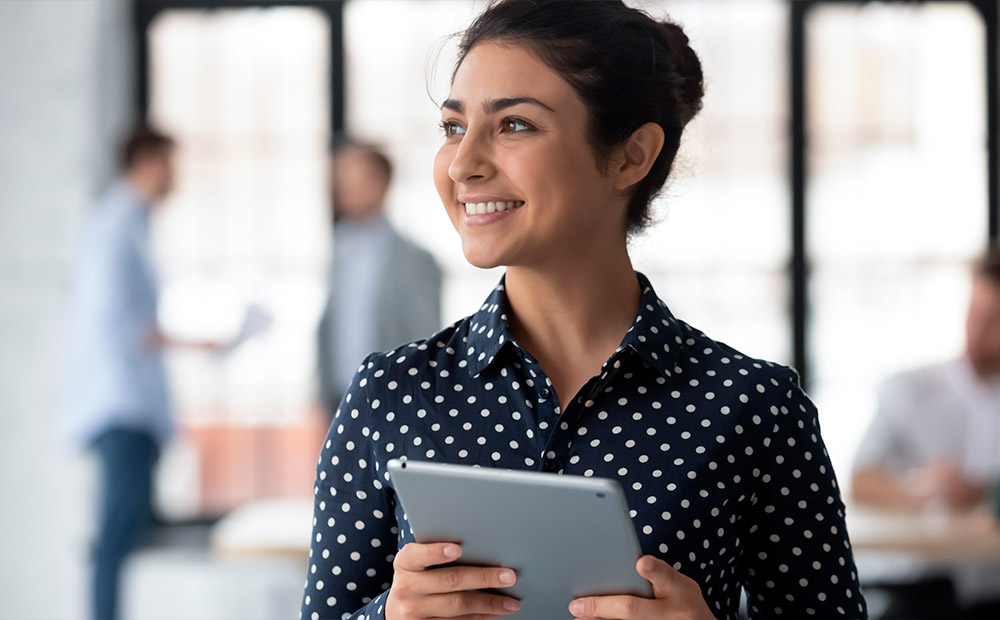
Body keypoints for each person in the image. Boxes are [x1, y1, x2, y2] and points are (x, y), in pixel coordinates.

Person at [301, 2, 867, 619]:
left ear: (631, 156)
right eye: (453, 127)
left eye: (514, 125)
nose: (463, 164)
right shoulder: (390, 394)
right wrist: (390, 617)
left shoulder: (754, 408)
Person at [65, 124, 220, 620]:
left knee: (125, 536)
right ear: (148, 161)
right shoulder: (114, 226)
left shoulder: (132, 224)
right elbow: (119, 325)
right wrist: (202, 343)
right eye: (171, 164)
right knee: (115, 537)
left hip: (131, 406)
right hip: (122, 407)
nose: (175, 176)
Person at [851, 246, 1000, 619]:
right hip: (925, 587)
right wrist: (924, 490)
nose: (977, 332)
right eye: (973, 313)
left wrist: (986, 491)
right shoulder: (910, 388)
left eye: (995, 320)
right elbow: (861, 479)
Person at [316, 140, 443, 419]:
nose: (346, 187)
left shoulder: (415, 259)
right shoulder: (339, 249)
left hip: (394, 402)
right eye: (341, 178)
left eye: (356, 177)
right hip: (340, 402)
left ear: (383, 181)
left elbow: (426, 340)